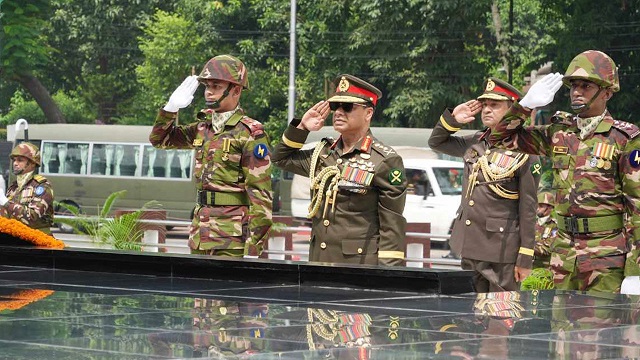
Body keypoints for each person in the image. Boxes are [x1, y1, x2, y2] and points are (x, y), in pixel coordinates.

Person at [489, 50, 640, 294]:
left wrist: (636, 271)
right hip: (564, 256)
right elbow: (499, 139)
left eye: (586, 86)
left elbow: (638, 208)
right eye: (573, 86)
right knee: (562, 330)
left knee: (605, 331)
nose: (577, 92)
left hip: (605, 259)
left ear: (607, 92)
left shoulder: (624, 139)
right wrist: (525, 106)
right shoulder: (560, 133)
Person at [272, 74, 407, 266]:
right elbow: (280, 158)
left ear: (368, 113)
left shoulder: (385, 160)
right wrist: (302, 128)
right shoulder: (323, 154)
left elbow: (392, 226)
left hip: (358, 266)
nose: (338, 112)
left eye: (347, 107)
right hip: (319, 261)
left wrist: (388, 276)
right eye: (335, 106)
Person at [149, 54, 272, 258]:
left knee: (224, 290)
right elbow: (159, 139)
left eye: (216, 86)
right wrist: (171, 109)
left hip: (231, 239)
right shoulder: (202, 128)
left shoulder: (250, 133)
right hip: (200, 233)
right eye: (207, 86)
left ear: (236, 90)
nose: (208, 92)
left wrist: (253, 250)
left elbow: (261, 197)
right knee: (196, 290)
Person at [428, 77, 539, 292]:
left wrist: (525, 256)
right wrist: (454, 120)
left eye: (494, 104)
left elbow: (528, 208)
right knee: (470, 318)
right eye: (484, 104)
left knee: (499, 318)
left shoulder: (525, 148)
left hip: (500, 251)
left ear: (512, 110)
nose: (486, 109)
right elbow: (437, 142)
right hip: (469, 245)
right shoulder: (476, 141)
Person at [0, 142, 54, 234]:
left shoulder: (42, 186)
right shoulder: (13, 187)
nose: (15, 163)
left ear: (32, 163)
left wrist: (6, 203)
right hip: (15, 238)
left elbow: (33, 217)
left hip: (38, 241)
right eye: (14, 160)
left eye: (20, 160)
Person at [533, 189, 558, 270]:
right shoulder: (530, 222)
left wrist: (526, 248)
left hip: (545, 268)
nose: (537, 208)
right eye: (537, 205)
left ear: (550, 208)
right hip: (528, 266)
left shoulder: (555, 226)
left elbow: (546, 249)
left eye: (541, 206)